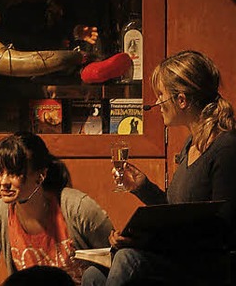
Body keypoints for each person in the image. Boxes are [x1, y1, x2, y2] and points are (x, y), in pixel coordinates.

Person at [82, 49, 236, 286]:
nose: (157, 104)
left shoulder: (225, 148)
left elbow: (222, 231)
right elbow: (175, 213)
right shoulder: (191, 144)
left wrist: (145, 241)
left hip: (204, 266)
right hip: (176, 257)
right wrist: (144, 188)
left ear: (181, 100)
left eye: (161, 96)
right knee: (93, 275)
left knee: (127, 260)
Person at [0, 133, 112, 285]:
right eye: (0, 172)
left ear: (41, 175)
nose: (3, 182)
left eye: (14, 173)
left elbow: (115, 261)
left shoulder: (78, 208)